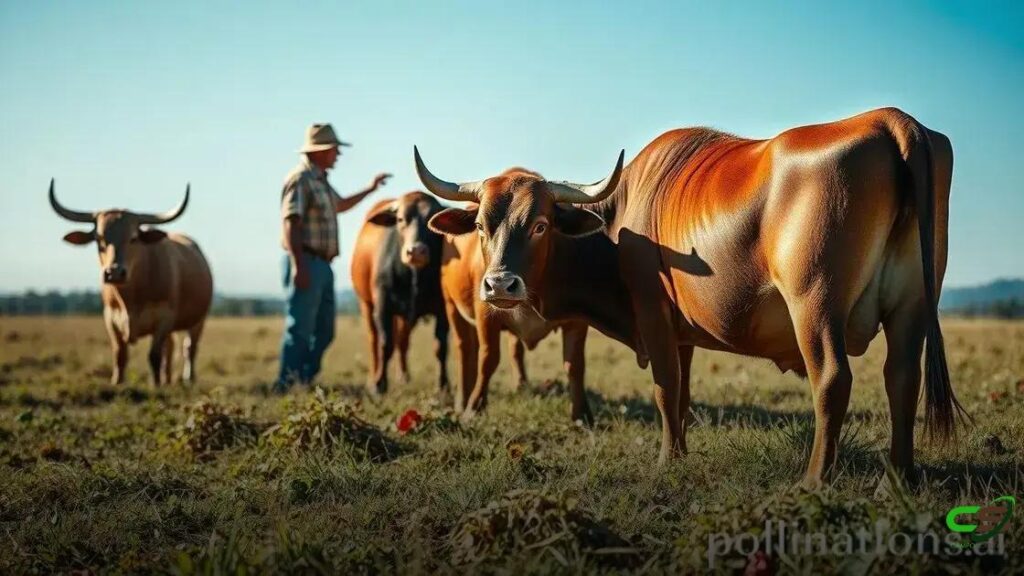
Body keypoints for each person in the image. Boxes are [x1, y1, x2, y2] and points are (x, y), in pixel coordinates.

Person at [276, 123, 390, 391]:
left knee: (325, 331)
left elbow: (340, 206)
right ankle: (286, 384)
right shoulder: (300, 179)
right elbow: (291, 222)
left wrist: (370, 189)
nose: (338, 155)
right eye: (335, 150)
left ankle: (303, 378)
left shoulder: (320, 181)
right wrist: (298, 265)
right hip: (305, 261)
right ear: (322, 151)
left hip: (323, 265)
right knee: (300, 330)